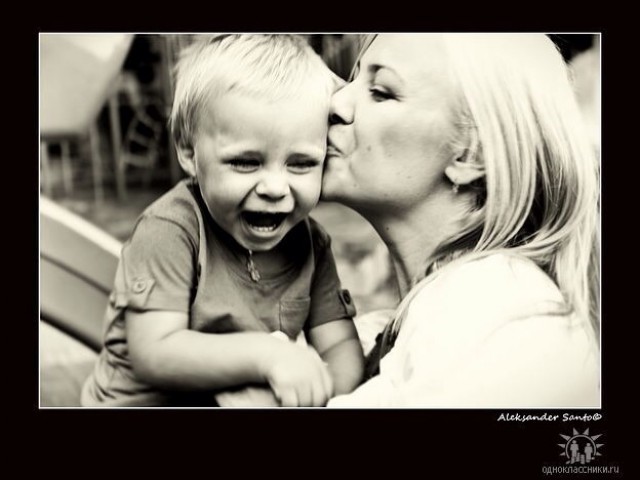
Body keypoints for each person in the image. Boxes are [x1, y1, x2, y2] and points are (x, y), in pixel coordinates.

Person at [81, 34, 364, 407]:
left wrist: (328, 393)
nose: (275, 188)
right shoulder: (171, 230)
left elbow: (340, 344)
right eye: (245, 162)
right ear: (189, 153)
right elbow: (155, 353)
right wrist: (268, 355)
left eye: (301, 164)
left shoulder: (310, 243)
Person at [322, 34, 600, 407]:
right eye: (353, 78)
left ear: (472, 155)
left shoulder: (503, 315)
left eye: (381, 92)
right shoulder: (429, 320)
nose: (336, 102)